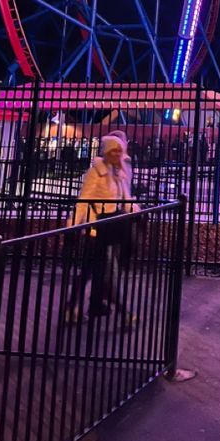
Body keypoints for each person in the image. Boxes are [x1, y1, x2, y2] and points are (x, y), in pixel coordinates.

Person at [65, 133, 139, 321]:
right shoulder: (95, 172)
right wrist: (72, 226)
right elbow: (83, 201)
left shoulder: (118, 173)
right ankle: (124, 312)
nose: (117, 154)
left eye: (119, 151)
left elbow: (125, 200)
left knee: (92, 270)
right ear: (106, 152)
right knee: (106, 270)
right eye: (114, 151)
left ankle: (78, 306)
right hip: (96, 228)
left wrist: (138, 213)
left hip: (111, 228)